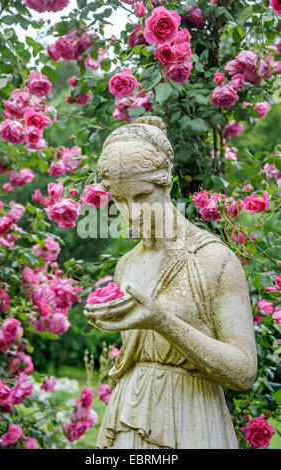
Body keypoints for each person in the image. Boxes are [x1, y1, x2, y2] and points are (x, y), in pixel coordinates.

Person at [84, 115, 257, 449]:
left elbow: (244, 371)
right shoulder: (127, 264)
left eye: (141, 195)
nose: (131, 213)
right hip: (128, 417)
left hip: (191, 417)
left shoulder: (212, 260)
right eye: (119, 200)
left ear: (166, 183)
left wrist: (162, 321)